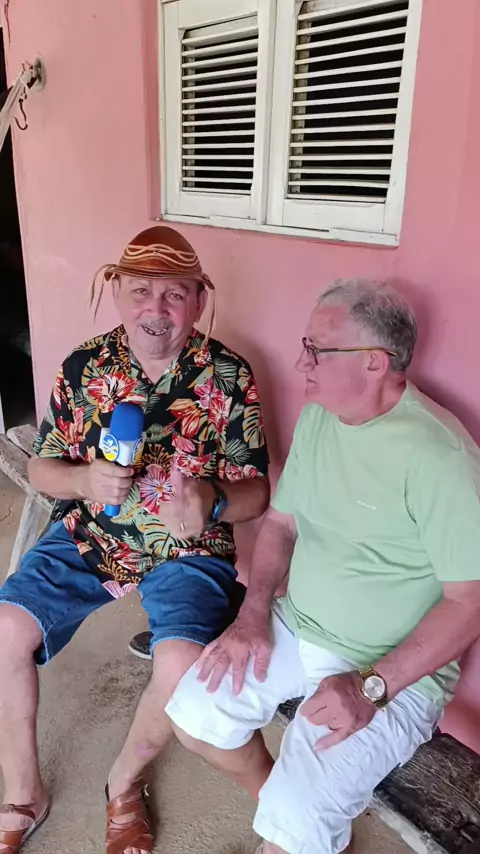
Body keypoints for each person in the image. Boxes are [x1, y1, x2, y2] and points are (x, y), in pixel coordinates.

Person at [166, 279, 480, 854]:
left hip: (390, 674)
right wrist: (252, 614)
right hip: (297, 623)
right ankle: (294, 817)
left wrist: (372, 686)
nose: (299, 363)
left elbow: (469, 602)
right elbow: (281, 525)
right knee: (193, 719)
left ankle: (296, 828)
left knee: (292, 828)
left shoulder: (441, 456)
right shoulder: (319, 419)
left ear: (375, 363)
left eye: (317, 350)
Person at [0, 225, 270, 854]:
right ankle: (23, 793)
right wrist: (82, 479)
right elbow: (43, 468)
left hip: (189, 548)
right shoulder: (85, 367)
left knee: (179, 665)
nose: (156, 309)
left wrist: (213, 499)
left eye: (174, 294)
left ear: (198, 301)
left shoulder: (229, 376)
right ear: (117, 292)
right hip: (95, 531)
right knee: (6, 627)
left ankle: (123, 783)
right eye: (141, 290)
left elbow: (257, 490)